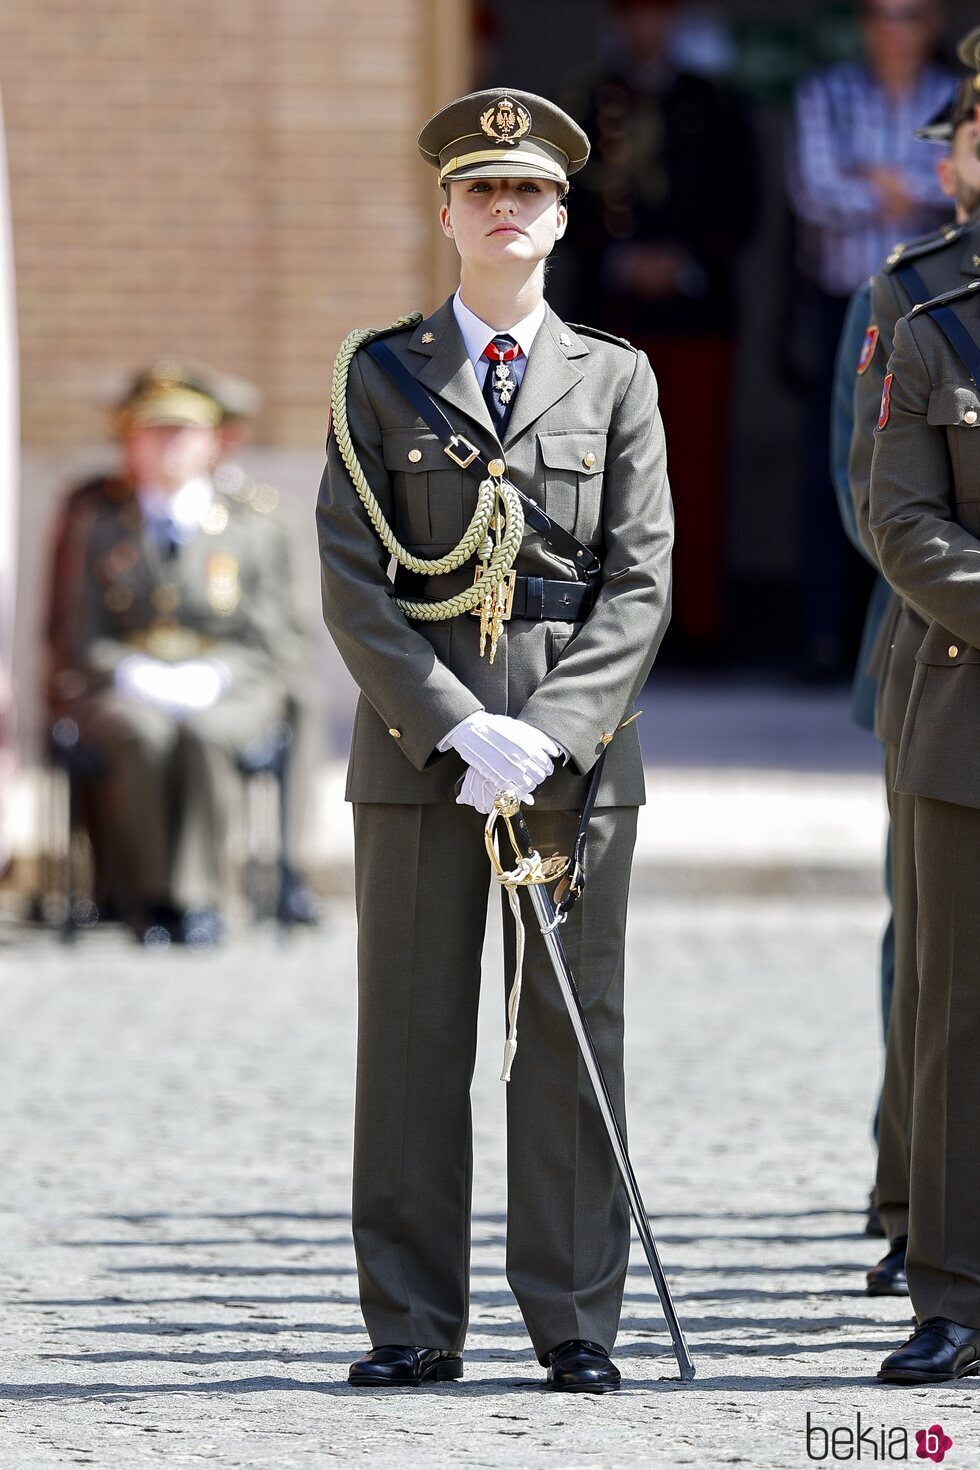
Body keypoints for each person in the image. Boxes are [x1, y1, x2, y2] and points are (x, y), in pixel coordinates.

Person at [317, 88, 673, 1391]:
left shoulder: (615, 377)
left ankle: (575, 1321)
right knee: (411, 1042)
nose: (504, 209)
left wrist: (550, 731)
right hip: (422, 755)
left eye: (527, 192)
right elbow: (354, 579)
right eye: (482, 190)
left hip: (572, 767)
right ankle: (411, 1321)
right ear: (447, 211)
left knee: (570, 1041)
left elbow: (643, 580)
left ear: (562, 217)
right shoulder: (382, 371)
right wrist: (458, 723)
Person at [848, 67, 980, 1300]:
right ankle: (939, 1258)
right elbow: (891, 513)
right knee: (948, 997)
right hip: (954, 688)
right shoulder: (922, 307)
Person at [46, 362, 292, 946]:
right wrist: (130, 671)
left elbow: (277, 636)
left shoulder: (249, 526)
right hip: (127, 686)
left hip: (230, 685)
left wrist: (218, 675)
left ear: (213, 443)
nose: (168, 447)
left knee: (207, 736)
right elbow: (77, 633)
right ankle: (145, 898)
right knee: (143, 734)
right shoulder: (102, 525)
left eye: (183, 433)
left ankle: (202, 899)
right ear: (129, 441)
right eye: (153, 432)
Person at [564, 0, 755, 661]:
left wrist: (681, 261)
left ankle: (696, 626)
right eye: (633, 14)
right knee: (605, 477)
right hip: (611, 320)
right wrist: (623, 259)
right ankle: (613, 634)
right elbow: (565, 201)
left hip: (696, 315)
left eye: (657, 14)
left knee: (694, 473)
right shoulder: (587, 101)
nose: (646, 27)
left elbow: (743, 203)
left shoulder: (716, 103)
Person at [868, 272, 980, 1386]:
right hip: (964, 715)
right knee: (956, 1017)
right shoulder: (934, 334)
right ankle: (952, 1294)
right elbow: (899, 521)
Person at [788, 0, 953, 677]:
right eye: (882, 16)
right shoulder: (824, 94)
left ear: (935, 22)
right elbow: (815, 192)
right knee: (834, 464)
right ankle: (826, 639)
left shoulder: (958, 95)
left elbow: (964, 190)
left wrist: (878, 181)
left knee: (930, 469)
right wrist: (917, 190)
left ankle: (926, 642)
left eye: (910, 16)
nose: (895, 30)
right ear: (863, 25)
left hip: (938, 305)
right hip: (845, 304)